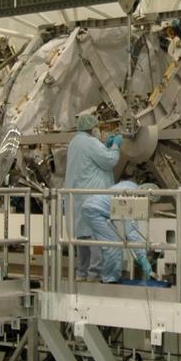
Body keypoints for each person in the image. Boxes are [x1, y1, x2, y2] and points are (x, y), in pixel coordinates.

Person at [63, 110, 121, 280]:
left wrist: (106, 145)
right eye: (97, 127)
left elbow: (96, 159)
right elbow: (109, 161)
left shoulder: (75, 142)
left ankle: (81, 273)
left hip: (79, 197)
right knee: (97, 238)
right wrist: (116, 145)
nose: (98, 130)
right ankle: (94, 275)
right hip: (93, 198)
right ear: (91, 128)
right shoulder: (90, 142)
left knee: (83, 237)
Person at [81, 180, 157, 284]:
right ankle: (109, 280)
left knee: (113, 244)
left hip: (95, 208)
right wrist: (142, 258)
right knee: (114, 245)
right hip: (94, 211)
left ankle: (110, 277)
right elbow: (131, 231)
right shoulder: (132, 197)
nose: (148, 205)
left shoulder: (131, 186)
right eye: (149, 203)